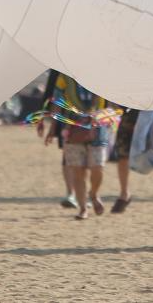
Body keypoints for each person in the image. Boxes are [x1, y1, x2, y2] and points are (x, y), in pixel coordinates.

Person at [44, 73, 116, 220]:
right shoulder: (64, 77)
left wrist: (110, 118)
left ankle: (94, 194)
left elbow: (112, 102)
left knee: (98, 167)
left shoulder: (103, 73)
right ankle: (82, 208)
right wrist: (52, 128)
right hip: (72, 129)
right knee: (78, 170)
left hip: (98, 129)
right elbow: (57, 102)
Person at [35, 69, 77, 208]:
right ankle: (71, 193)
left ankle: (83, 194)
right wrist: (44, 121)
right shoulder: (60, 67)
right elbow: (52, 94)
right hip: (66, 117)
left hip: (91, 118)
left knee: (88, 157)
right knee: (68, 155)